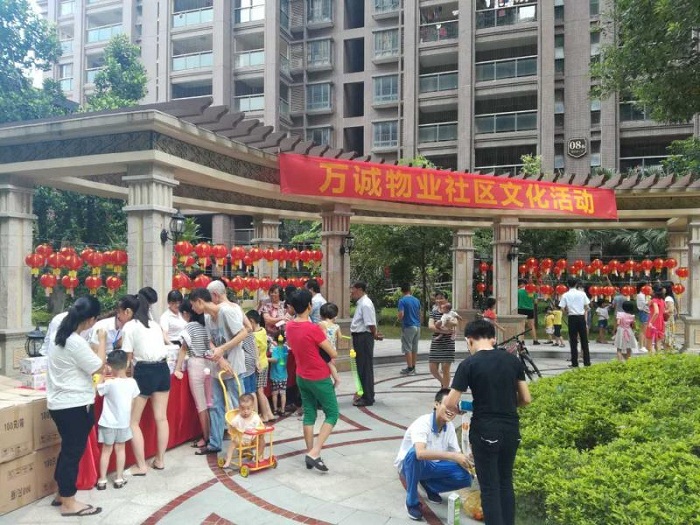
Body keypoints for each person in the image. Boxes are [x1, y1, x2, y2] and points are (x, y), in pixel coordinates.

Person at [445, 320, 531, 525]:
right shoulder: (512, 361)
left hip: (484, 430)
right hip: (510, 429)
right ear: (493, 338)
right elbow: (526, 399)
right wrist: (505, 405)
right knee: (505, 482)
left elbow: (449, 403)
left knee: (490, 488)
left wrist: (459, 410)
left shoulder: (469, 364)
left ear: (469, 340)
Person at [47, 296, 106, 517]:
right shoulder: (74, 341)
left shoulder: (59, 335)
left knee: (68, 450)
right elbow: (98, 366)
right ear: (91, 320)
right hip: (74, 406)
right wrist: (102, 340)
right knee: (72, 453)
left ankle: (61, 494)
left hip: (60, 404)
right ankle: (69, 503)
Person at [394, 388, 473, 521]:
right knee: (414, 455)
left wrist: (468, 460)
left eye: (454, 407)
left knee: (466, 477)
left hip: (432, 466)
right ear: (436, 404)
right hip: (409, 466)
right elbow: (420, 453)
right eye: (447, 405)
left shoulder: (449, 427)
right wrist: (453, 456)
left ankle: (429, 485)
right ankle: (412, 502)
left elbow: (457, 454)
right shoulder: (422, 423)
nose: (451, 410)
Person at [189, 287, 249, 456]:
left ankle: (245, 443)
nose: (192, 308)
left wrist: (223, 349)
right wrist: (220, 357)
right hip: (218, 367)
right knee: (216, 406)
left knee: (240, 405)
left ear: (200, 301)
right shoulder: (207, 318)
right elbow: (210, 341)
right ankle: (215, 443)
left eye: (193, 304)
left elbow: (243, 332)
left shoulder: (226, 311)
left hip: (234, 366)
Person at [285, 289, 339, 472]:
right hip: (319, 376)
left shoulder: (289, 326)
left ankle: (310, 453)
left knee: (309, 414)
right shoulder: (313, 329)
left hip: (301, 375)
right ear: (309, 305)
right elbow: (333, 353)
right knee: (332, 413)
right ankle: (315, 452)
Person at [118, 294, 170, 474]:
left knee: (133, 422)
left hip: (144, 371)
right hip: (163, 369)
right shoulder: (154, 325)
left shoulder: (130, 327)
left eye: (121, 312)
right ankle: (160, 461)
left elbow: (127, 359)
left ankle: (141, 466)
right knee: (161, 418)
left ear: (129, 311)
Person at [95, 350, 140, 490]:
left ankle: (102, 480)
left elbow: (97, 390)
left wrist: (102, 376)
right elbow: (134, 401)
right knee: (120, 449)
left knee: (106, 450)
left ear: (110, 367)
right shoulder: (132, 382)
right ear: (127, 364)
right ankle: (119, 478)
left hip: (107, 422)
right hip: (123, 422)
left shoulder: (109, 384)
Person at [174, 299, 213, 448]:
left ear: (186, 313)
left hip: (196, 364)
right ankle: (213, 434)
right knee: (210, 402)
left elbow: (184, 348)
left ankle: (206, 437)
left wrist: (177, 368)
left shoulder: (190, 326)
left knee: (201, 404)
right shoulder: (207, 324)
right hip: (210, 363)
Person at [350, 281, 383, 407]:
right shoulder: (362, 303)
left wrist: (375, 334)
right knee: (361, 366)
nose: (351, 292)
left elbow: (370, 323)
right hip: (360, 337)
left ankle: (368, 397)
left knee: (365, 367)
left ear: (359, 289)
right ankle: (364, 393)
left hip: (364, 337)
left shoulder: (365, 304)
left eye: (353, 289)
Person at [221, 394, 265, 470]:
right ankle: (228, 460)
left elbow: (259, 426)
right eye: (242, 409)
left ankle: (258, 456)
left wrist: (261, 430)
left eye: (248, 408)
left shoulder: (255, 417)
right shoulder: (238, 418)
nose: (245, 411)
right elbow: (232, 425)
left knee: (262, 440)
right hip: (241, 439)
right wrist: (234, 428)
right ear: (239, 408)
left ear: (252, 408)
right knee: (233, 443)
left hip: (253, 438)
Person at [246, 310, 276, 423]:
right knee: (261, 391)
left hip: (259, 366)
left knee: (259, 392)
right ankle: (269, 413)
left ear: (251, 321)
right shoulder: (263, 330)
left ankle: (264, 416)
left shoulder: (254, 336)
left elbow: (255, 352)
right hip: (265, 363)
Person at [559, 278, 591, 367]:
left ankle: (574, 363)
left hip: (572, 317)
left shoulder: (565, 295)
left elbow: (562, 308)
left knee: (573, 341)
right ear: (576, 284)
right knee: (584, 340)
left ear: (567, 284)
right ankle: (587, 362)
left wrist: (567, 313)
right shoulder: (582, 294)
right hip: (581, 317)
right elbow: (587, 306)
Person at [428, 291, 455, 389]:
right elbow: (430, 326)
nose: (439, 300)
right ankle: (444, 383)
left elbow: (455, 324)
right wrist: (444, 331)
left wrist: (446, 326)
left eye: (441, 298)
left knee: (445, 368)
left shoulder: (451, 312)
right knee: (433, 369)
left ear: (446, 299)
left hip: (448, 343)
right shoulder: (433, 312)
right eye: (437, 298)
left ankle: (445, 390)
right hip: (436, 342)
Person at [397, 283, 421, 376]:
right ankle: (413, 367)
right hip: (417, 326)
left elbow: (401, 314)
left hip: (408, 326)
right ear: (410, 290)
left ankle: (410, 368)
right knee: (414, 348)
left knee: (407, 348)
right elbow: (419, 313)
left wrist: (399, 318)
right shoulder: (416, 300)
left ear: (402, 291)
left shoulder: (402, 301)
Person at [318, 302, 341, 387]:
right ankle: (335, 378)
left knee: (329, 364)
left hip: (324, 348)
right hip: (333, 348)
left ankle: (336, 379)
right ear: (335, 315)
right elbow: (340, 337)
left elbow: (321, 336)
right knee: (331, 364)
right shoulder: (336, 326)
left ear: (321, 315)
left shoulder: (321, 324)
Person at [268, 334, 289, 416]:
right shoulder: (285, 348)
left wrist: (265, 359)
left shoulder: (275, 350)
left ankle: (275, 410)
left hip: (275, 375)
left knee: (275, 393)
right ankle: (283, 410)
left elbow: (275, 360)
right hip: (284, 375)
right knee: (283, 393)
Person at [517, 279, 540, 344]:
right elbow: (535, 302)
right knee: (532, 325)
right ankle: (535, 340)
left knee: (521, 326)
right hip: (530, 310)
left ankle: (522, 341)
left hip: (521, 309)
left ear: (522, 284)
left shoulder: (518, 291)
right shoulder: (533, 291)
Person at [645, 286, 666, 354]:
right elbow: (663, 311)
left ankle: (652, 358)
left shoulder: (654, 300)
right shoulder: (662, 300)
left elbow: (656, 312)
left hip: (654, 321)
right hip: (660, 321)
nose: (649, 291)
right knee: (658, 343)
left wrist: (650, 322)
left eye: (651, 290)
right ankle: (658, 358)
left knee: (649, 345)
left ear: (654, 291)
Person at [636, 282, 650, 349]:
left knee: (645, 330)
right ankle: (641, 346)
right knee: (643, 330)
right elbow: (644, 304)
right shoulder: (640, 295)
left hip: (646, 312)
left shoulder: (644, 295)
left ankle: (644, 345)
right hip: (644, 312)